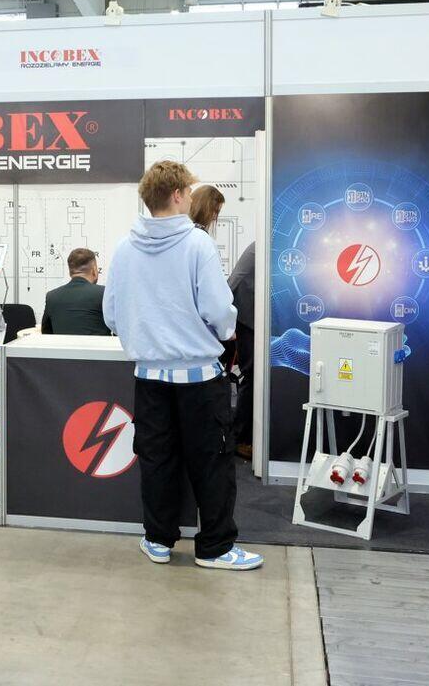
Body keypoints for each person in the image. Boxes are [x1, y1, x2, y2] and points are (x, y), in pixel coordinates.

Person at [103, 160, 262, 572]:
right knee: (211, 462)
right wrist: (222, 330)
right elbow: (220, 311)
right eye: (189, 192)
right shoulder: (197, 244)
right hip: (199, 379)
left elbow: (111, 314)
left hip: (149, 378)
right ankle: (215, 548)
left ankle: (157, 540)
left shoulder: (124, 248)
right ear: (177, 195)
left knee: (157, 460)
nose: (191, 198)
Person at [227, 241, 256, 459]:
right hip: (247, 318)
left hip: (252, 318)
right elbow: (233, 281)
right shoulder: (260, 246)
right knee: (252, 375)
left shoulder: (265, 245)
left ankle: (244, 436)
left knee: (253, 376)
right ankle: (240, 438)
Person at [42, 248, 109, 336]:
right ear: (94, 270)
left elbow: (46, 333)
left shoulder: (52, 296)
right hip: (98, 345)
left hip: (63, 345)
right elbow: (118, 329)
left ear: (70, 272)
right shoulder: (104, 293)